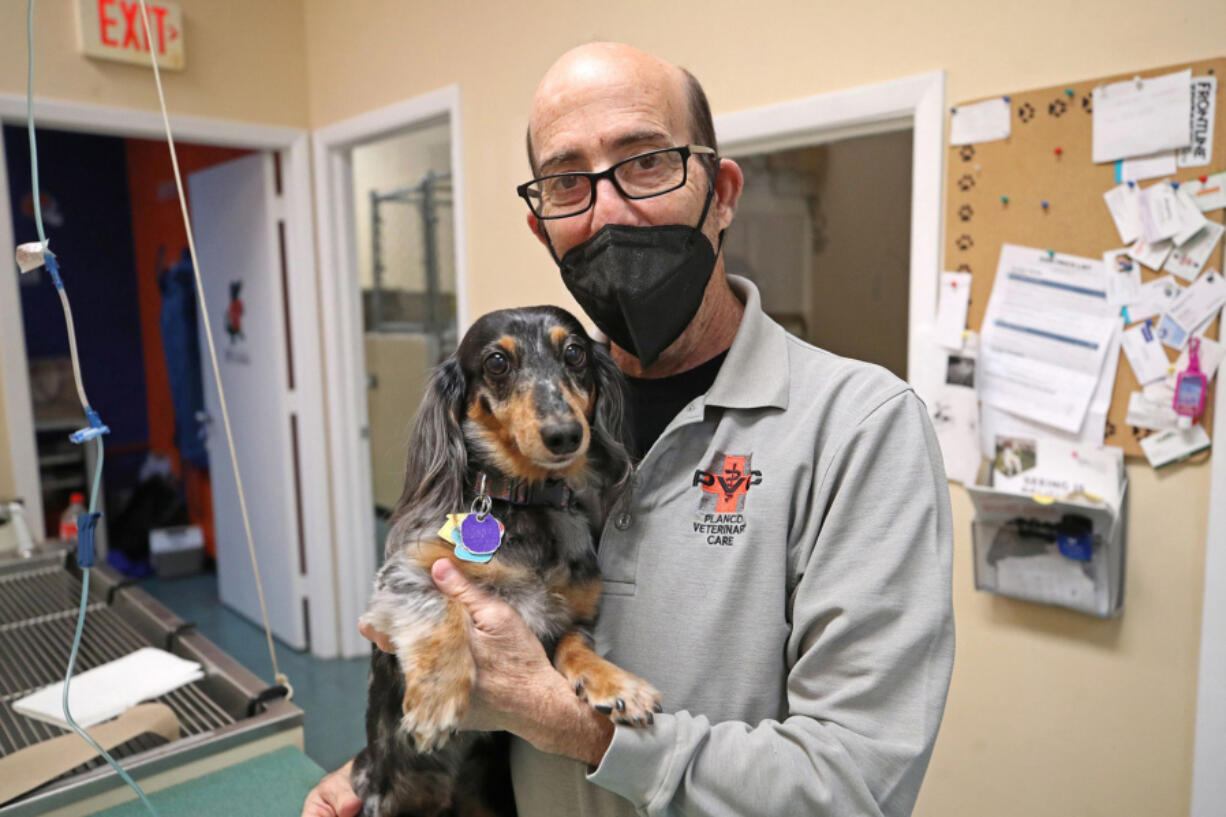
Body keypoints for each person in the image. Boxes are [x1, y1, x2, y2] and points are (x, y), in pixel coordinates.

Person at [303, 42, 954, 817]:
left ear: (722, 194)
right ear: (542, 226)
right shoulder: (523, 448)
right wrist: (380, 767)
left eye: (646, 161)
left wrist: (571, 723)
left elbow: (852, 789)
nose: (608, 211)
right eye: (567, 182)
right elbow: (499, 670)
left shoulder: (861, 429)